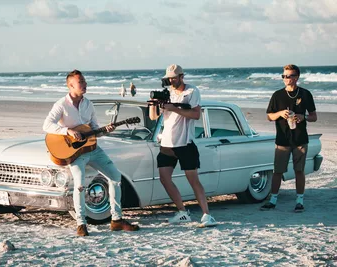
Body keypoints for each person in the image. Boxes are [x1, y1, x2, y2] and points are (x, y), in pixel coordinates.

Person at [43, 70, 140, 236]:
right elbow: (47, 125)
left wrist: (106, 130)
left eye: (85, 81)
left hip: (93, 149)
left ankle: (116, 220)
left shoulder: (88, 104)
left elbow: (95, 130)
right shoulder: (61, 104)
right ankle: (81, 223)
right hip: (74, 152)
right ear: (71, 85)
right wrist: (68, 131)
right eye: (81, 82)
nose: (85, 84)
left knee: (115, 177)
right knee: (80, 185)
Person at [148, 64, 217, 227]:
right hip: (166, 143)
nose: (171, 80)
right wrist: (154, 104)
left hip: (185, 143)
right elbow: (153, 117)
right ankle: (182, 212)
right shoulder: (167, 93)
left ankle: (207, 215)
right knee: (165, 179)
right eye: (169, 78)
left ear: (181, 76)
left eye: (174, 77)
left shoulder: (191, 91)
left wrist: (173, 108)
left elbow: (195, 114)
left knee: (193, 180)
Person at [261, 64, 317, 212]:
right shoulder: (277, 95)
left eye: (289, 76)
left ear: (296, 77)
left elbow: (314, 117)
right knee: (278, 171)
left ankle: (299, 201)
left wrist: (302, 116)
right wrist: (280, 113)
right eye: (284, 76)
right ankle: (273, 200)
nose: (286, 79)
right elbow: (269, 116)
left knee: (299, 171)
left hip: (300, 139)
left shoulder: (305, 94)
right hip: (282, 140)